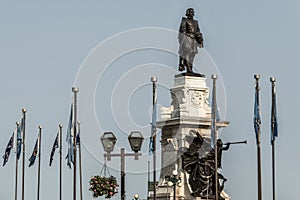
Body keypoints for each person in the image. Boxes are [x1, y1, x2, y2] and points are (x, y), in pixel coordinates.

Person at [178, 8, 204, 73]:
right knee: (187, 52)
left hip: (194, 40)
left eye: (193, 12)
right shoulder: (185, 20)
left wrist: (199, 37)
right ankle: (188, 68)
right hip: (187, 40)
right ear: (188, 13)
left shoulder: (196, 22)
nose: (192, 13)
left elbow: (198, 31)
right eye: (191, 12)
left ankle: (190, 67)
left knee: (193, 53)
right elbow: (182, 31)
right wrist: (188, 35)